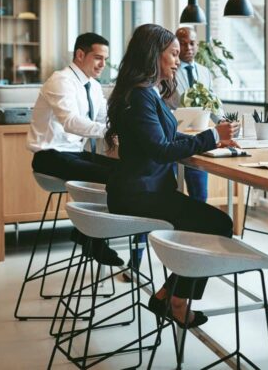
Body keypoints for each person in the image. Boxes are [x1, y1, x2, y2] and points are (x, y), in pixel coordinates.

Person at [105, 24, 238, 328]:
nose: (179, 60)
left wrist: (213, 139)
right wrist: (211, 136)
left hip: (142, 189)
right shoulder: (141, 96)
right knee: (216, 223)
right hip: (139, 194)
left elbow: (165, 136)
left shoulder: (144, 92)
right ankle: (175, 298)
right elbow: (161, 149)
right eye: (174, 54)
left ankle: (170, 295)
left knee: (210, 223)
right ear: (155, 55)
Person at [27, 32, 122, 266]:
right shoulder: (60, 80)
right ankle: (94, 237)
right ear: (80, 54)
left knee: (126, 170)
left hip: (74, 154)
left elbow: (104, 120)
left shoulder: (95, 86)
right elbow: (71, 121)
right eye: (98, 58)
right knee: (112, 176)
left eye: (105, 59)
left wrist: (123, 132)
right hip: (48, 156)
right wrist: (109, 132)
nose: (103, 65)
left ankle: (86, 233)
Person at [166, 26, 220, 203]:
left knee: (199, 194)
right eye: (183, 43)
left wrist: (223, 123)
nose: (188, 48)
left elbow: (212, 103)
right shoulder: (168, 70)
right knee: (171, 191)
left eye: (192, 43)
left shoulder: (204, 72)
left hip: (198, 138)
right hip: (173, 138)